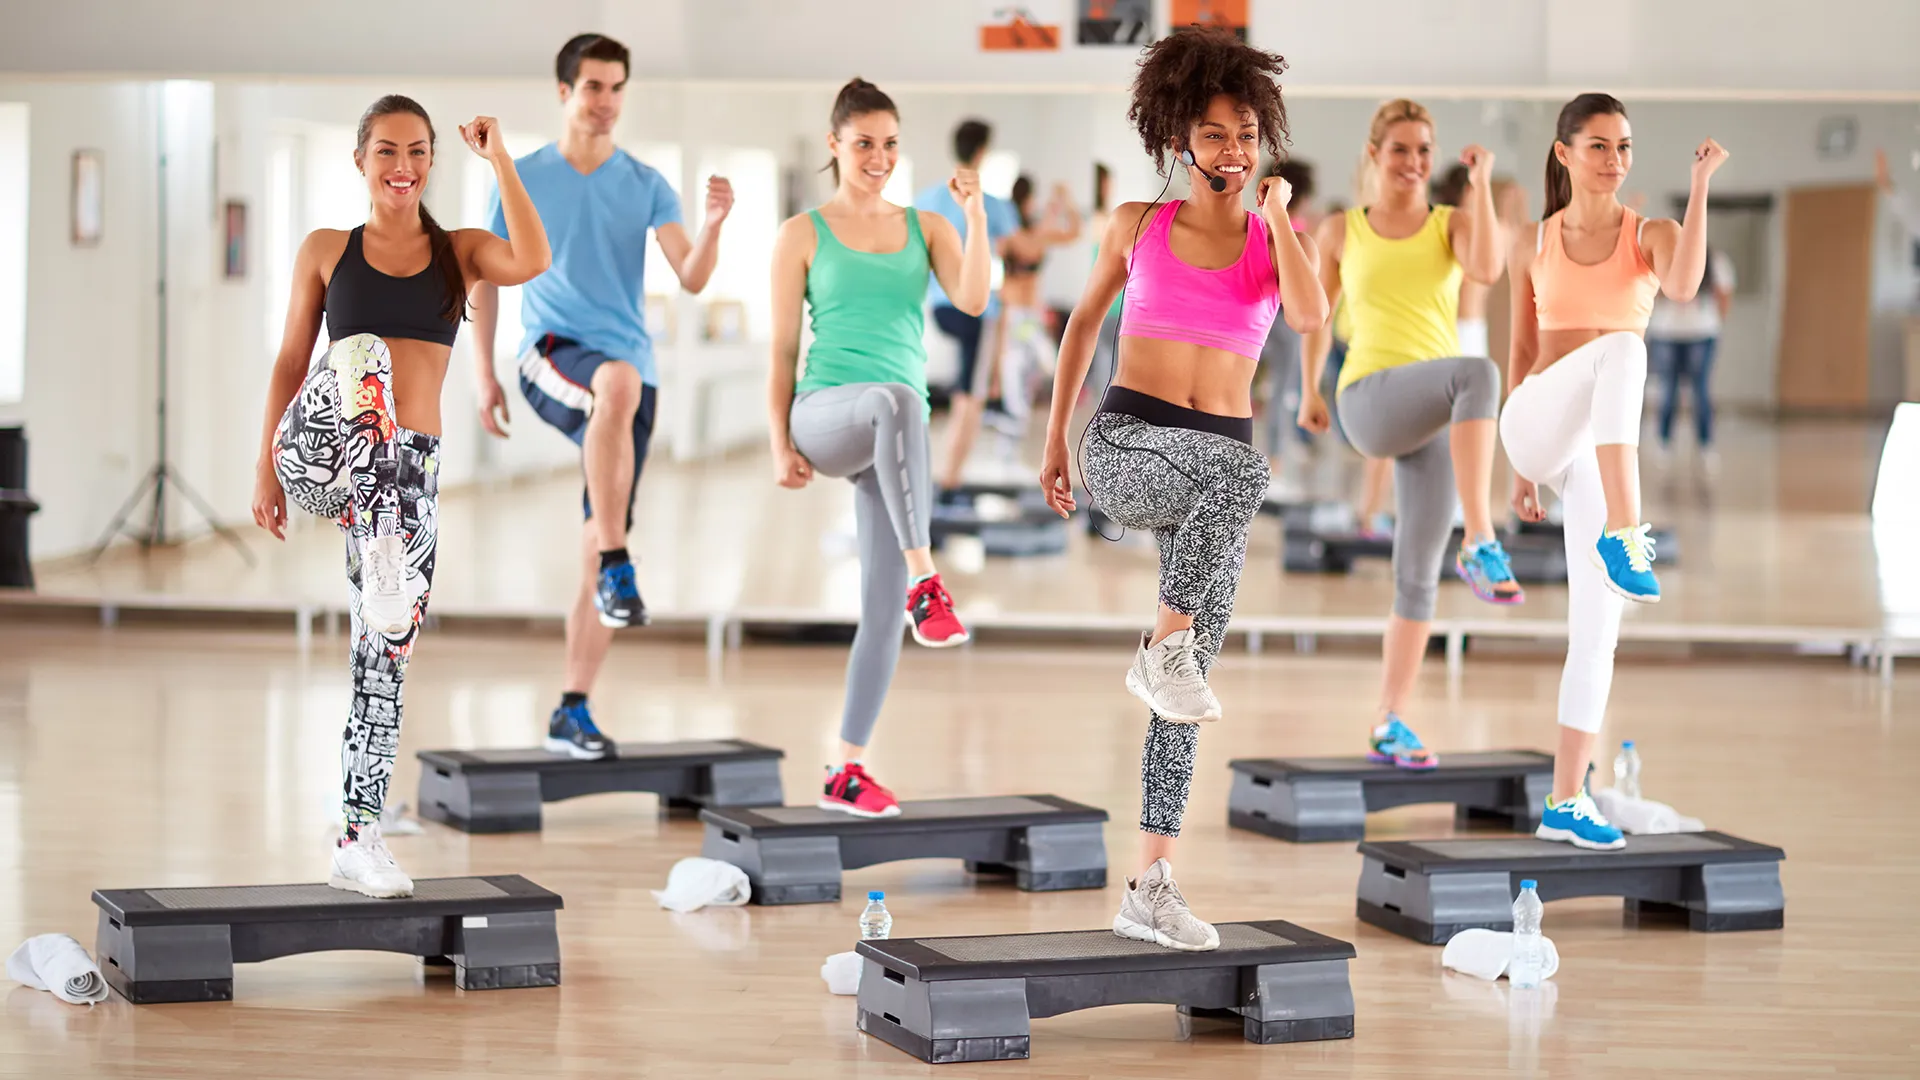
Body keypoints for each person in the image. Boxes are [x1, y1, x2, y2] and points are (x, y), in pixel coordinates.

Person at [1039, 28, 1326, 951]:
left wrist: (1279, 217)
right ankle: (1163, 649)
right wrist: (1056, 439)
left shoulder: (1276, 242)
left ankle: (1150, 884)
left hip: (1217, 477)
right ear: (1178, 141)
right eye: (1213, 135)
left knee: (1186, 688)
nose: (1232, 151)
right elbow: (1083, 327)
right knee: (1244, 479)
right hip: (1128, 443)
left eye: (1246, 134)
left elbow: (1312, 316)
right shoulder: (1137, 224)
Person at [251, 97, 550, 897]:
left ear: (431, 162)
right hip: (320, 452)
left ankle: (358, 837)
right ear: (360, 160)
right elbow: (290, 362)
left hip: (409, 476)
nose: (403, 166)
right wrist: (264, 468)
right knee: (367, 356)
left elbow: (532, 257)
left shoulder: (460, 251)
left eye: (417, 151)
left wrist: (501, 158)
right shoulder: (327, 250)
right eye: (386, 150)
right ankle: (382, 535)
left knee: (383, 661)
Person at [471, 34, 733, 760]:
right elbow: (485, 277)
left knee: (595, 543)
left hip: (631, 375)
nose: (607, 101)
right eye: (593, 86)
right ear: (564, 92)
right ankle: (622, 559)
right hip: (552, 352)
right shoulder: (522, 176)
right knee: (614, 390)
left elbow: (691, 276)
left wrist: (713, 227)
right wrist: (484, 373)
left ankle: (572, 708)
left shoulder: (646, 182)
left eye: (617, 87)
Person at [1503, 93, 1726, 848]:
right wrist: (1519, 472)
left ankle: (1567, 800)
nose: (1614, 159)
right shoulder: (1533, 241)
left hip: (1592, 450)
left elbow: (1685, 287)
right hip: (1535, 422)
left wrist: (1699, 187)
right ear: (1564, 153)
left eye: (1624, 146)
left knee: (1597, 632)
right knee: (1625, 348)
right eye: (1598, 145)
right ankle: (1627, 531)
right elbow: (1523, 354)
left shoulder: (1651, 234)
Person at [767, 78, 989, 817]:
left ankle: (847, 769)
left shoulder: (928, 226)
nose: (879, 157)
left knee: (880, 609)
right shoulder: (802, 233)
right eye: (864, 143)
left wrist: (974, 215)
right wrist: (778, 442)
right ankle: (930, 578)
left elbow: (974, 299)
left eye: (890, 144)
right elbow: (782, 350)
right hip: (826, 415)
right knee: (894, 398)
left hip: (896, 437)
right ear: (835, 144)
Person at [1297, 99, 1525, 770]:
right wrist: (1309, 391)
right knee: (1479, 373)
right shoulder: (1341, 229)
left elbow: (1487, 269)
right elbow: (1317, 316)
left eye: (1424, 150)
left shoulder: (1451, 223)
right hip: (1369, 399)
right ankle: (1480, 538)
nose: (1414, 161)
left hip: (1432, 408)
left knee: (1416, 577)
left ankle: (1388, 721)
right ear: (1375, 155)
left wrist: (1480, 185)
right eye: (1400, 149)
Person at [916, 120, 1019, 499]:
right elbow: (1013, 253)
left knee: (963, 391)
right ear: (982, 152)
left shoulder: (926, 198)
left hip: (939, 308)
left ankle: (945, 474)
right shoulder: (990, 204)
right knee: (970, 397)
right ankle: (950, 481)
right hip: (976, 311)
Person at [989, 176, 1082, 441]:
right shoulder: (1011, 236)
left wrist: (1066, 202)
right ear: (1026, 201)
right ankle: (1013, 421)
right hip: (1012, 312)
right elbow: (1019, 249)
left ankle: (1016, 417)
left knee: (1042, 364)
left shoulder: (1037, 233)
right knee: (1013, 368)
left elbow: (1074, 233)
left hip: (1031, 314)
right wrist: (1051, 215)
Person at [1648, 246, 1734, 468]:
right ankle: (1664, 442)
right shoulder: (1662, 255)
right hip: (1667, 333)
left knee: (1701, 390)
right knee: (1668, 389)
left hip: (1701, 333)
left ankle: (1706, 444)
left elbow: (1724, 294)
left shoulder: (1715, 260)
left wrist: (1715, 323)